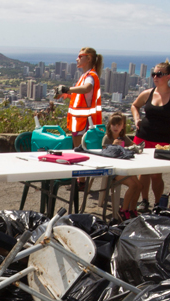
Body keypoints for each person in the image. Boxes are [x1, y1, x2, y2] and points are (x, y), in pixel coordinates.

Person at [131, 60, 170, 213]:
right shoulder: (147, 93)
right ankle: (144, 200)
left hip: (162, 140)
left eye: (159, 74)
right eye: (153, 74)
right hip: (142, 137)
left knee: (156, 174)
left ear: (168, 76)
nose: (155, 77)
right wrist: (137, 119)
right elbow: (135, 105)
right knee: (143, 172)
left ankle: (158, 202)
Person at [56, 47, 103, 189]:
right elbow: (82, 95)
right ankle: (80, 181)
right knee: (78, 150)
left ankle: (81, 182)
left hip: (85, 121)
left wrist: (67, 89)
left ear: (88, 58)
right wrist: (67, 94)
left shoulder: (91, 76)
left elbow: (87, 88)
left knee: (80, 151)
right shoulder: (84, 75)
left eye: (80, 56)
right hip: (79, 121)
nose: (77, 59)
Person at [103, 112, 142, 220]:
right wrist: (114, 146)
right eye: (113, 125)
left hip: (124, 168)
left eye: (118, 125)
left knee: (139, 185)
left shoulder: (123, 138)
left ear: (123, 126)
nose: (116, 127)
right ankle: (123, 210)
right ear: (109, 126)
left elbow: (132, 145)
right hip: (113, 171)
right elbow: (104, 154)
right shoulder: (107, 138)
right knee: (133, 185)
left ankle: (132, 209)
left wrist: (134, 147)